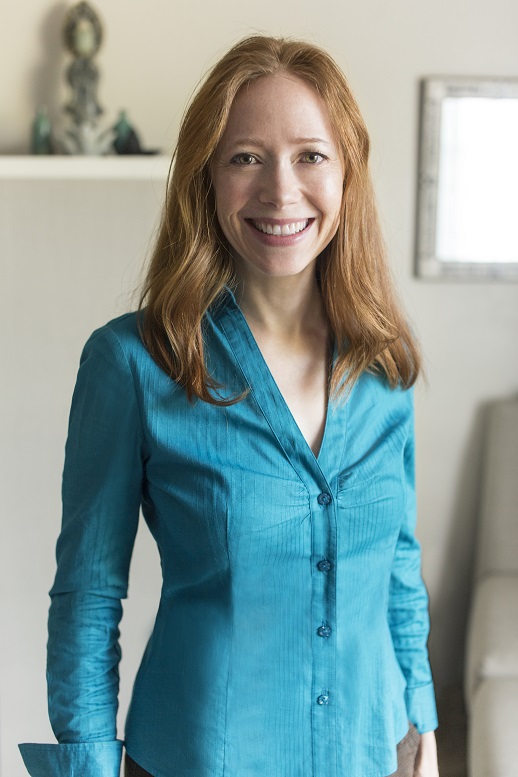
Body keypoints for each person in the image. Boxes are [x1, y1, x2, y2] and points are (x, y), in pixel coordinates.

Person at [20, 35, 439, 777]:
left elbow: (398, 563)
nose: (281, 190)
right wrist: (87, 765)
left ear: (347, 174)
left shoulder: (385, 367)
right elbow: (88, 593)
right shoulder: (133, 362)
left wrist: (422, 725)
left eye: (311, 155)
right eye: (246, 156)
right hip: (198, 756)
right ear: (205, 177)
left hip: (369, 754)